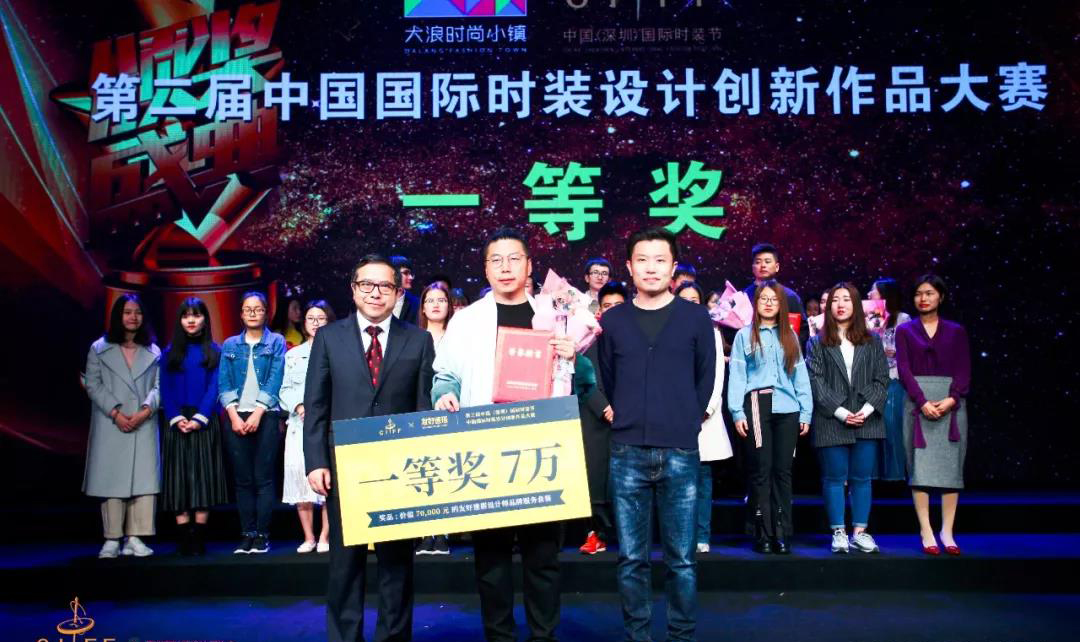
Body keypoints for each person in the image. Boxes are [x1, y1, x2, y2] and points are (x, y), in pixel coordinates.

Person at [432, 227, 575, 642]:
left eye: (514, 259)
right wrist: (443, 395)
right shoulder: (467, 320)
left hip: (542, 446)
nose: (505, 267)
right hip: (486, 446)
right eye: (496, 260)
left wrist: (574, 356)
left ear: (529, 266)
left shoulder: (555, 315)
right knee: (491, 555)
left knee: (542, 553)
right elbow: (445, 374)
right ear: (485, 268)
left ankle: (544, 635)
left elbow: (580, 381)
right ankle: (500, 635)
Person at [304, 255, 436, 641]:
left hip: (400, 468)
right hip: (344, 467)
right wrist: (316, 461)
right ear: (353, 289)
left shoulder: (419, 339)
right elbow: (316, 404)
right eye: (367, 285)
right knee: (345, 564)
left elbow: (423, 406)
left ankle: (393, 636)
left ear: (398, 292)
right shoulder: (329, 338)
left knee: (397, 563)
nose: (376, 293)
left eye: (385, 286)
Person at [598, 228, 716, 642]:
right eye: (642, 260)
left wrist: (685, 420)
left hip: (680, 450)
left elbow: (705, 378)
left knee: (681, 559)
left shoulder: (696, 318)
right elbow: (607, 379)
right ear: (629, 267)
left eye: (660, 260)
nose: (651, 268)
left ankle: (681, 634)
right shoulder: (613, 321)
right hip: (627, 450)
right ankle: (639, 635)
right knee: (632, 558)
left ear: (673, 267)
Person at [727, 280, 812, 555]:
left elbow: (800, 376)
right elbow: (737, 375)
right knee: (761, 470)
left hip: (788, 407)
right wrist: (736, 411)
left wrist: (806, 411)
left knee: (783, 472)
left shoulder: (790, 336)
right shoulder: (744, 335)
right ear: (756, 302)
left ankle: (782, 532)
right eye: (763, 298)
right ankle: (762, 533)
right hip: (757, 403)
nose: (768, 303)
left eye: (773, 299)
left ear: (781, 305)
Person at [805, 283, 890, 554]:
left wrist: (865, 411)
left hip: (867, 419)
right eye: (835, 300)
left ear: (856, 304)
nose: (840, 304)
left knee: (862, 478)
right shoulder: (816, 342)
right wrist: (842, 412)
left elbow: (882, 379)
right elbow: (815, 382)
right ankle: (838, 532)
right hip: (832, 420)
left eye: (846, 299)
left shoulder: (872, 340)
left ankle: (860, 533)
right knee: (834, 477)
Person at [895, 275, 971, 556]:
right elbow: (903, 369)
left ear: (941, 296)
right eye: (918, 294)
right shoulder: (905, 330)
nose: (923, 298)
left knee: (951, 469)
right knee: (919, 468)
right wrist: (922, 400)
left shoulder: (956, 331)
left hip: (951, 403)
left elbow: (964, 369)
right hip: (917, 403)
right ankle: (926, 529)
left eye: (929, 293)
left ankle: (947, 531)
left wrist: (952, 399)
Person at [84, 294, 161, 559]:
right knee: (111, 480)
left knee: (143, 480)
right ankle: (112, 539)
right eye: (127, 312)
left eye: (137, 312)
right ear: (118, 316)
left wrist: (145, 410)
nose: (133, 317)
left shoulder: (153, 351)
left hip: (143, 422)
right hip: (111, 423)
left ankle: (136, 538)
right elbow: (92, 384)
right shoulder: (99, 348)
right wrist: (116, 413)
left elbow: (160, 387)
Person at [218, 292, 286, 555]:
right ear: (241, 314)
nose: (253, 313)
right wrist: (234, 415)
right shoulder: (230, 344)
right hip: (235, 416)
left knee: (263, 478)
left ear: (266, 312)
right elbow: (224, 382)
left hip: (266, 415)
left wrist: (258, 412)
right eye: (248, 309)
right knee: (243, 479)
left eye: (258, 309)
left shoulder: (276, 341)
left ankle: (262, 535)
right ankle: (247, 534)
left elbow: (276, 378)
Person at [160, 297, 228, 556]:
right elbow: (165, 388)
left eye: (196, 315)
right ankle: (183, 537)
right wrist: (176, 417)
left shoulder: (215, 352)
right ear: (179, 320)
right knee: (178, 478)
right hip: (176, 421)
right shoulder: (169, 353)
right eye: (186, 315)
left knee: (203, 478)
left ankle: (198, 537)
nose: (191, 320)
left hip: (204, 420)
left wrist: (200, 417)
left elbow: (215, 387)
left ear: (204, 320)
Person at [675, 282, 732, 554]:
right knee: (676, 480)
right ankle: (679, 536)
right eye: (683, 299)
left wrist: (705, 409)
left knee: (702, 479)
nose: (689, 304)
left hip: (704, 416)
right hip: (674, 415)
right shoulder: (667, 330)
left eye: (694, 299)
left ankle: (701, 535)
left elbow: (717, 373)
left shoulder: (712, 331)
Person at [280, 300, 336, 554]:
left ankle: (325, 535)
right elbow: (284, 389)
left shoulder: (337, 353)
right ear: (304, 324)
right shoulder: (292, 355)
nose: (316, 323)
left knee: (327, 483)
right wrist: (299, 406)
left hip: (327, 424)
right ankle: (309, 536)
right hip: (298, 424)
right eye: (311, 318)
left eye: (321, 318)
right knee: (300, 479)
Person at [577, 282, 627, 555]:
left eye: (619, 306)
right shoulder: (589, 340)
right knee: (595, 478)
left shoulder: (638, 339)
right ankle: (596, 533)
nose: (613, 311)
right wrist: (605, 407)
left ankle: (626, 536)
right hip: (595, 417)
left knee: (624, 480)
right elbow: (582, 377)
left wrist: (623, 407)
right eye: (607, 306)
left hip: (628, 418)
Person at [415, 282, 455, 556]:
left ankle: (442, 533)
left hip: (451, 411)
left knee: (446, 472)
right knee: (423, 471)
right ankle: (424, 532)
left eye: (441, 300)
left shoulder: (458, 337)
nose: (436, 304)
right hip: (420, 412)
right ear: (423, 307)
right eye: (430, 300)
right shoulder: (413, 338)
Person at [869, 278, 912, 481]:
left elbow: (909, 349)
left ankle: (895, 477)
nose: (869, 294)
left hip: (894, 379)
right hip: (871, 381)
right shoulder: (869, 319)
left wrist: (894, 352)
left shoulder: (903, 319)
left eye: (874, 291)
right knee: (872, 430)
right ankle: (874, 476)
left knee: (892, 426)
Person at [741, 243, 809, 345]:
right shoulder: (743, 296)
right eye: (758, 262)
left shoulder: (789, 296)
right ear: (752, 268)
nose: (763, 265)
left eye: (767, 261)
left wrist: (789, 348)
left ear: (777, 267)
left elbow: (803, 330)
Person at [390, 255, 420, 325]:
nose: (411, 277)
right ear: (393, 274)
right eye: (406, 273)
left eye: (411, 274)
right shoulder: (378, 299)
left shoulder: (417, 304)